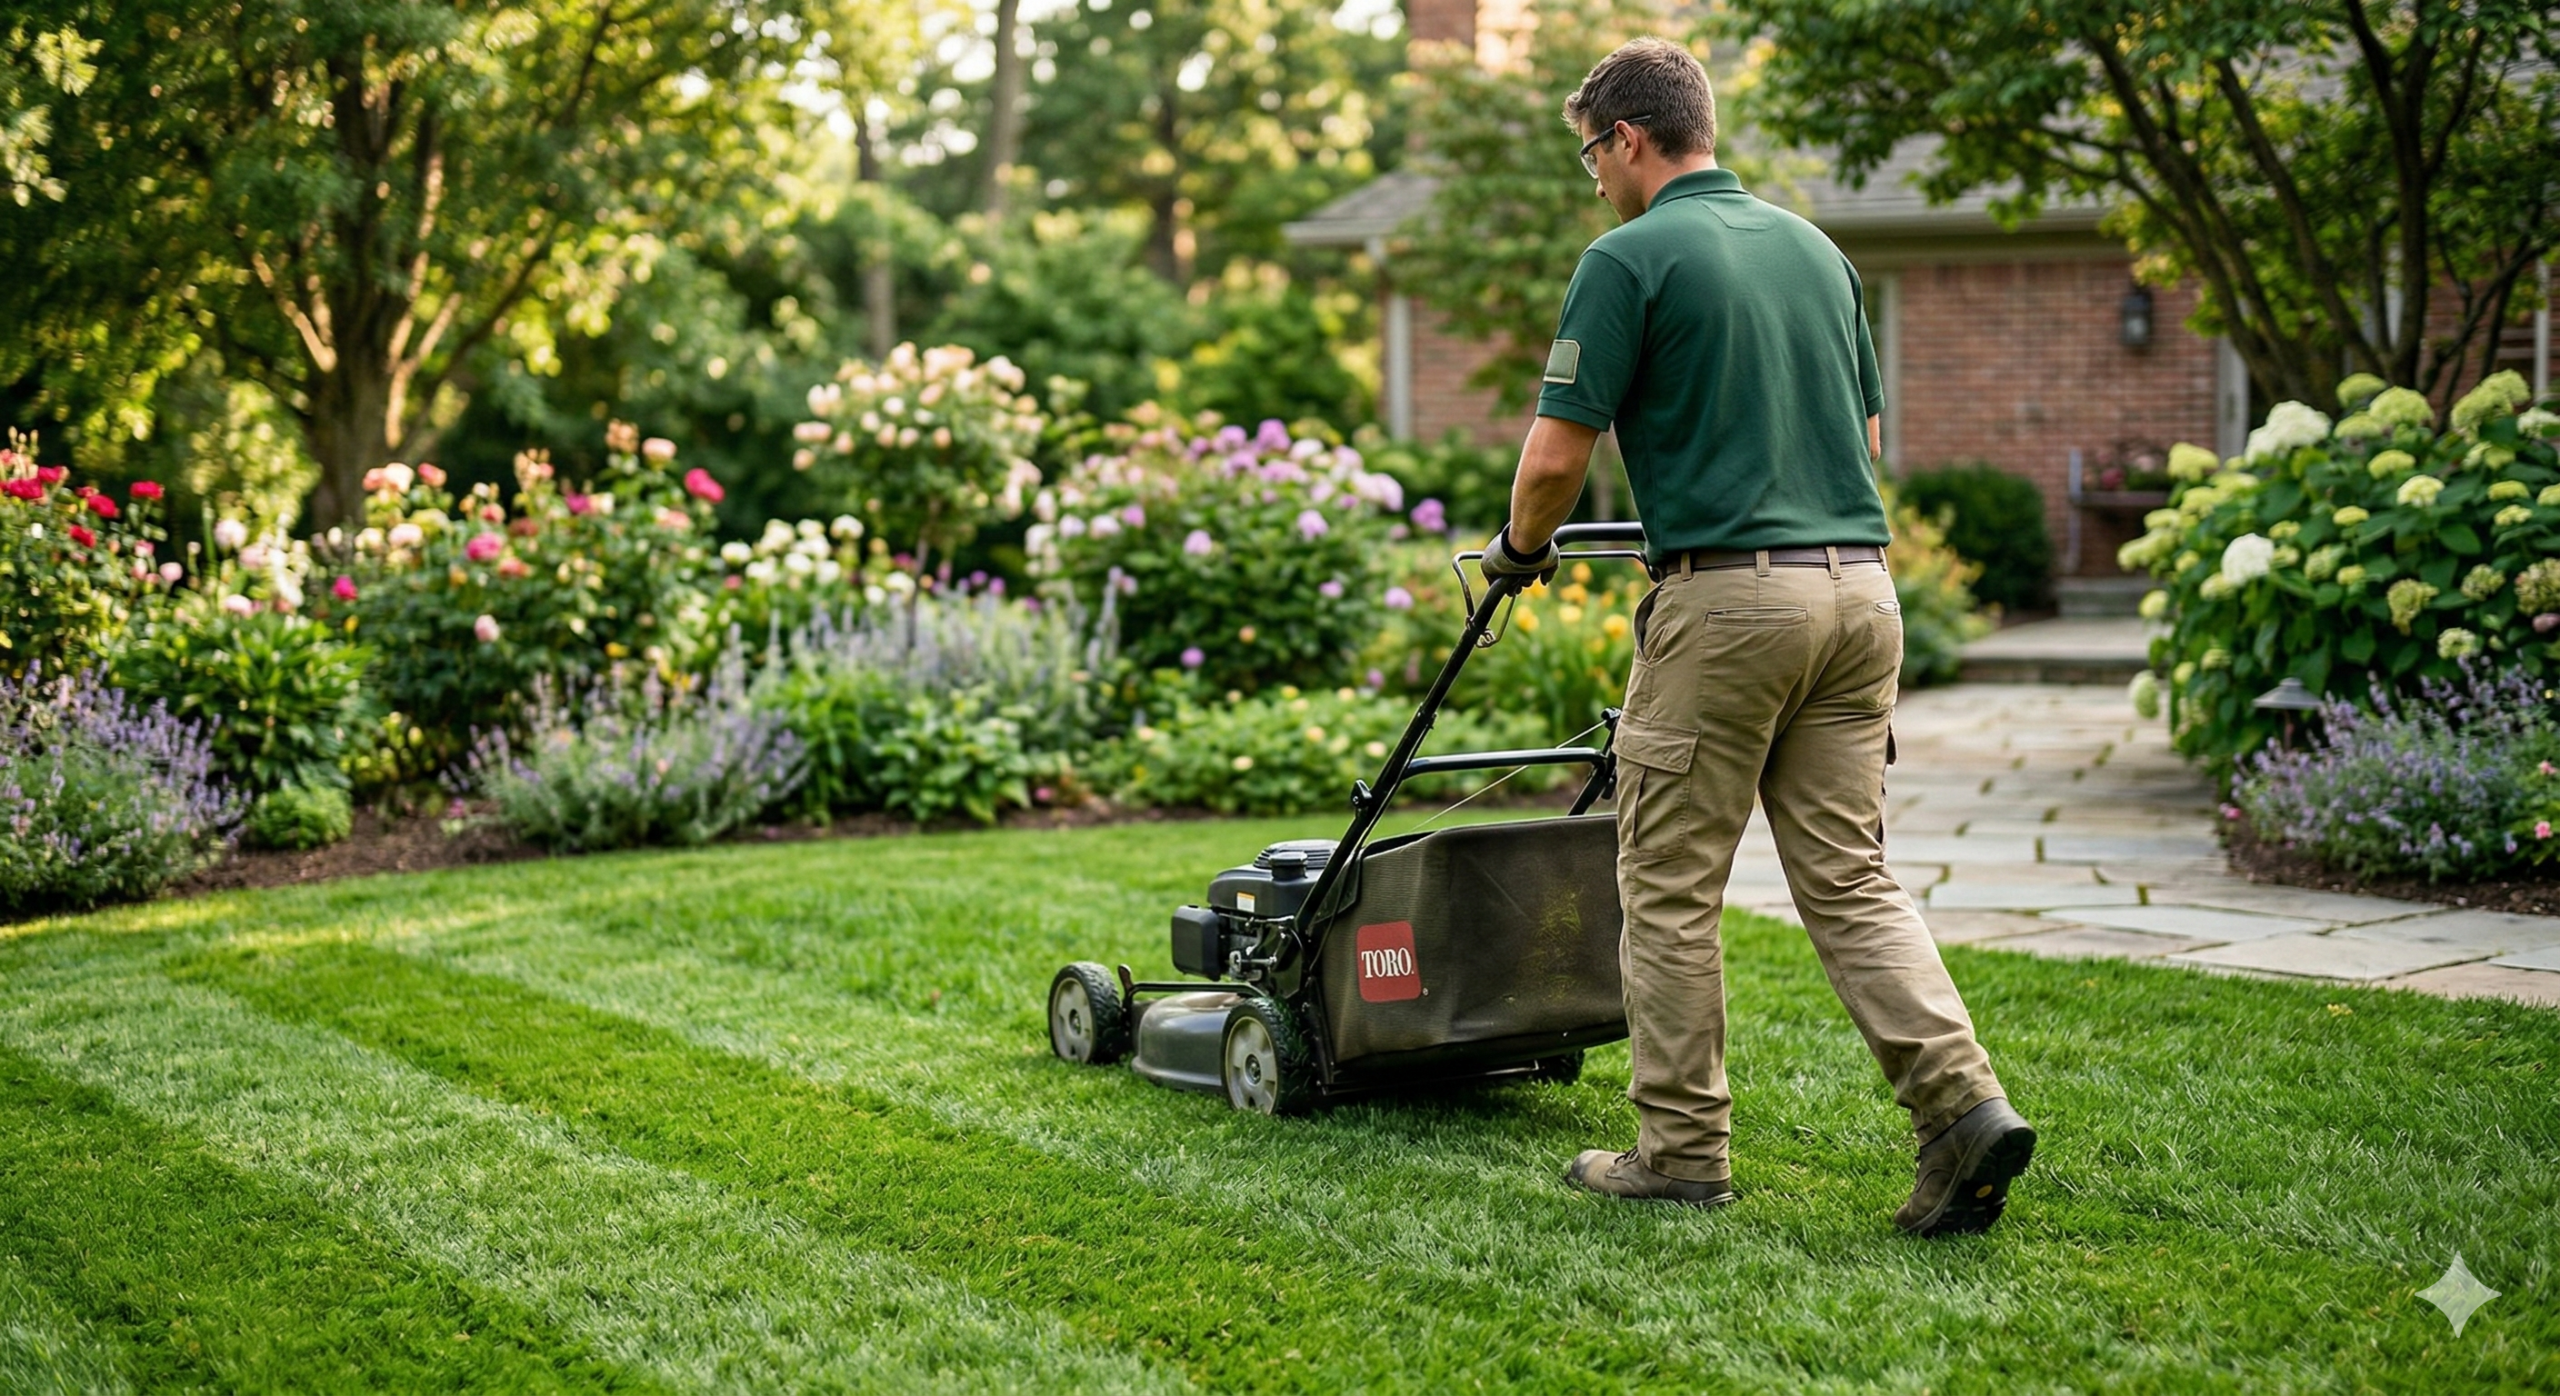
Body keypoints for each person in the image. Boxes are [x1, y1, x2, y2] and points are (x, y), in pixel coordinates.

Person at [1477, 37, 2035, 1237]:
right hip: (1859, 596)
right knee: (1850, 878)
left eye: (1591, 153)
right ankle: (1962, 1106)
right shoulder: (1818, 253)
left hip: (1728, 604)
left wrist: (1519, 555)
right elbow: (1865, 438)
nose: (1593, 177)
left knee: (1668, 884)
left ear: (1627, 137)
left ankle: (1680, 1150)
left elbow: (1554, 458)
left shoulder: (1625, 259)